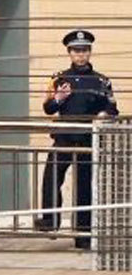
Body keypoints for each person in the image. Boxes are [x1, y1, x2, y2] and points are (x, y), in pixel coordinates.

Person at [37, 29, 118, 249]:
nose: (80, 55)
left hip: (87, 141)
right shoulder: (59, 78)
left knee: (84, 188)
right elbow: (48, 108)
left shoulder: (101, 81)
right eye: (76, 50)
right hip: (63, 139)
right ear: (69, 53)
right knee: (51, 180)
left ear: (89, 53)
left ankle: (83, 235)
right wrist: (59, 99)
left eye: (84, 50)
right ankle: (50, 221)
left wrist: (104, 115)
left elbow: (112, 109)